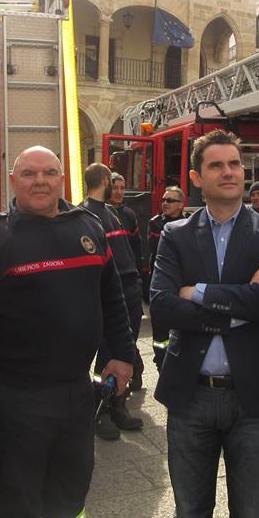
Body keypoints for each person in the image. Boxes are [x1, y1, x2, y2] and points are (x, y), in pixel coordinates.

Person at [0, 146, 136, 518]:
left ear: (63, 179)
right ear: (13, 180)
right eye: (29, 174)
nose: (40, 181)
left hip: (77, 394)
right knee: (18, 501)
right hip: (16, 399)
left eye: (49, 172)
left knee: (69, 498)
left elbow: (112, 298)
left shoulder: (89, 228)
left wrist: (122, 353)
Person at [150, 129, 259, 518]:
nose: (228, 172)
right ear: (196, 177)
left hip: (252, 400)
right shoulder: (175, 234)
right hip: (190, 394)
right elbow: (162, 305)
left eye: (234, 164)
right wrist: (239, 307)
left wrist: (199, 293)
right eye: (216, 165)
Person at [82, 164, 144, 439]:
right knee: (106, 353)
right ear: (105, 181)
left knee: (124, 349)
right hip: (110, 291)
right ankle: (101, 411)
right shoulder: (86, 215)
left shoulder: (112, 212)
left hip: (128, 288)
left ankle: (118, 404)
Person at [108, 172, 146, 390]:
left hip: (129, 282)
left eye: (123, 188)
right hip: (111, 281)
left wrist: (138, 278)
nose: (120, 192)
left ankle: (136, 368)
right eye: (115, 188)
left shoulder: (129, 214)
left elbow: (136, 248)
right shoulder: (99, 214)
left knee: (129, 331)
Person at [146, 186, 189, 370]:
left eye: (170, 201)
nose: (165, 203)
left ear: (181, 205)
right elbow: (159, 249)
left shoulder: (189, 223)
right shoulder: (155, 223)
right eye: (164, 200)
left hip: (184, 282)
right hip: (162, 283)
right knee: (160, 329)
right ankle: (161, 363)